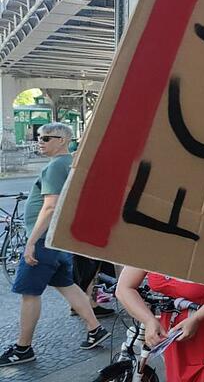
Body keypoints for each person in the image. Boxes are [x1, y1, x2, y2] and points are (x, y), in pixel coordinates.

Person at [0, 123, 110, 367]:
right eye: (38, 137)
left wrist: (30, 242)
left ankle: (23, 348)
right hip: (56, 241)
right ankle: (95, 329)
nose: (40, 141)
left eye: (46, 137)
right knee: (67, 285)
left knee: (29, 293)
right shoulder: (69, 163)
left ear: (62, 140)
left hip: (43, 240)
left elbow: (50, 206)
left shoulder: (56, 166)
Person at [116, 268, 204, 381]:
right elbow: (124, 288)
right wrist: (148, 320)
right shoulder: (151, 242)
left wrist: (197, 318)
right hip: (174, 327)